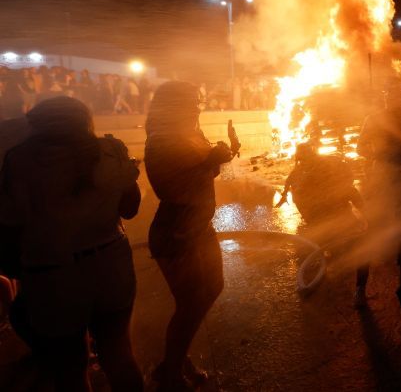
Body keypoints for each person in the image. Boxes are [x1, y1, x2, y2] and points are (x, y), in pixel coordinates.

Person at [0, 96, 143, 391]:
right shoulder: (109, 151)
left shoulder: (19, 160)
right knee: (119, 354)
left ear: (36, 124)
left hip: (52, 275)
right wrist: (127, 177)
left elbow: (11, 223)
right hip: (110, 266)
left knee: (70, 367)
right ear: (85, 121)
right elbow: (130, 209)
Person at [144, 81, 235, 391]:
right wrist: (210, 161)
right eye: (193, 102)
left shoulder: (190, 133)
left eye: (199, 100)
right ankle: (170, 372)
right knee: (191, 303)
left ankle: (176, 359)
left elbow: (205, 174)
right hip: (177, 231)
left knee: (212, 289)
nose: (199, 107)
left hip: (199, 225)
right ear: (174, 105)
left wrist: (222, 156)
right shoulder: (161, 139)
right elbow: (168, 189)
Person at [276, 143, 367, 305]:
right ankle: (356, 287)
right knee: (356, 252)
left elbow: (350, 192)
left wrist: (366, 217)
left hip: (336, 223)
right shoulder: (300, 176)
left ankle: (358, 289)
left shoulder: (310, 173)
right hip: (329, 224)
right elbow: (352, 193)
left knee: (360, 252)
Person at [358, 81, 401, 272]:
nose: (394, 99)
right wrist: (379, 158)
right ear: (386, 98)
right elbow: (360, 147)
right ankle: (381, 255)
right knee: (376, 220)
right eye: (391, 95)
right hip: (381, 176)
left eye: (398, 96)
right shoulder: (374, 119)